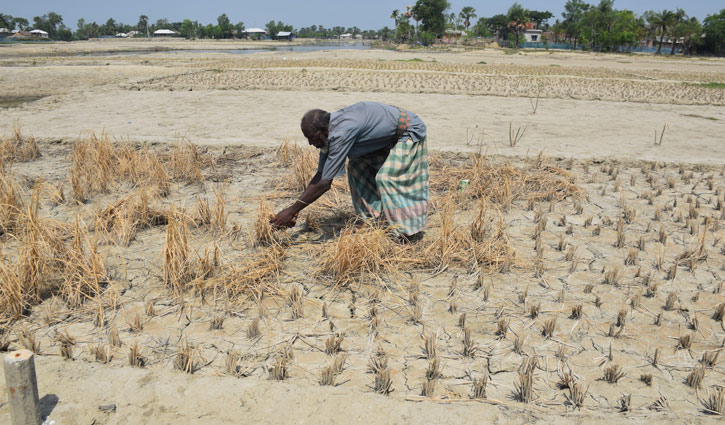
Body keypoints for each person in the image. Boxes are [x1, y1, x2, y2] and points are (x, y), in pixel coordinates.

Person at [271, 101, 429, 238]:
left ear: (324, 130)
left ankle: (403, 231)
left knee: (386, 178)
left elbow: (325, 183)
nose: (310, 143)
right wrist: (296, 209)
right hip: (384, 139)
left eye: (311, 137)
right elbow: (321, 175)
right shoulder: (329, 134)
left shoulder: (341, 133)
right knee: (355, 168)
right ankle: (372, 221)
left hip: (408, 131)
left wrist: (291, 210)